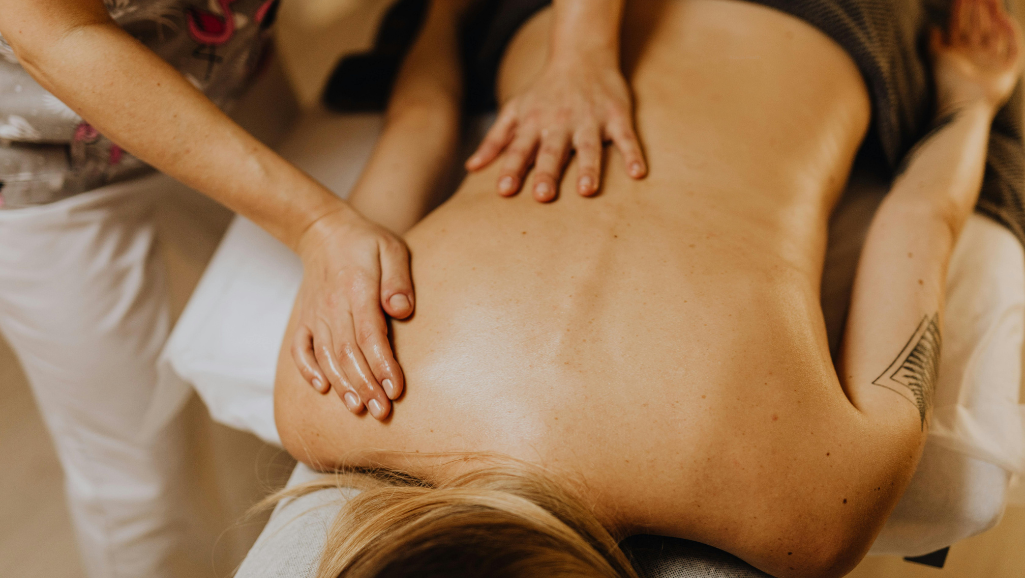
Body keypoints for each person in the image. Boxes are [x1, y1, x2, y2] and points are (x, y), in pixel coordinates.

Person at [273, 0, 1025, 576]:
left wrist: (972, 99)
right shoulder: (324, 398)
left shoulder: (809, 515)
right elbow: (421, 114)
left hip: (832, 24)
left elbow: (921, 217)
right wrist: (447, 12)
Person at [0, 0, 641, 575]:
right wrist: (315, 222)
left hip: (224, 61)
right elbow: (61, 36)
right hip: (34, 151)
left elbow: (422, 118)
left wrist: (580, 49)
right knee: (136, 482)